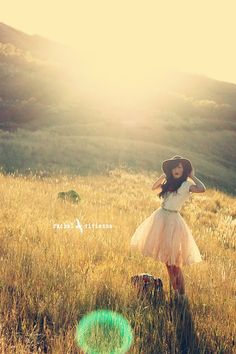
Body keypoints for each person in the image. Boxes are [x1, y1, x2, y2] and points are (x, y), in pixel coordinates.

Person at [130, 155, 206, 297]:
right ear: (171, 170)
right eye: (174, 167)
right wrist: (163, 175)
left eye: (180, 167)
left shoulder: (186, 185)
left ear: (184, 170)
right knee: (167, 261)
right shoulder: (168, 183)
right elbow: (153, 187)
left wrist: (192, 176)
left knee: (175, 262)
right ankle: (175, 292)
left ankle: (181, 295)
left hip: (173, 221)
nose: (177, 170)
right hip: (161, 218)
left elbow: (202, 189)